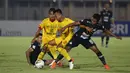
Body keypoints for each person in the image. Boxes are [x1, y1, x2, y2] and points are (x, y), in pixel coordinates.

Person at [51, 13, 122, 70]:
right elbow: (74, 23)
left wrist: (115, 36)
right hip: (77, 38)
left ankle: (105, 65)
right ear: (92, 18)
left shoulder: (98, 25)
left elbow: (106, 31)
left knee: (96, 50)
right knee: (66, 49)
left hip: (86, 40)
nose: (93, 22)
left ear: (97, 21)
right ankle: (55, 62)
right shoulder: (86, 21)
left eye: (95, 21)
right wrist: (64, 27)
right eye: (93, 20)